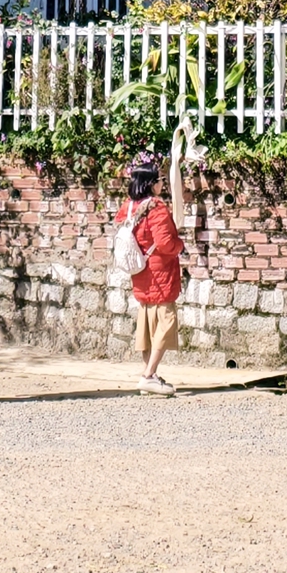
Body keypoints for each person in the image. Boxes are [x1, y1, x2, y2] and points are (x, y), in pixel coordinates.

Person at [116, 152, 184, 396]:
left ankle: (150, 374)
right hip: (160, 272)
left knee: (146, 323)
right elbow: (165, 243)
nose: (162, 185)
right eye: (160, 181)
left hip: (140, 270)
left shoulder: (130, 207)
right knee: (167, 321)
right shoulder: (156, 209)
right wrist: (180, 245)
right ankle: (147, 376)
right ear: (152, 183)